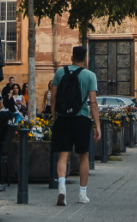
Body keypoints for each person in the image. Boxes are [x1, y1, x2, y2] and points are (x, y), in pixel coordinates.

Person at [51, 45, 101, 206]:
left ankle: (61, 187)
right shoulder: (90, 75)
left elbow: (53, 97)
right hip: (81, 119)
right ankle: (82, 193)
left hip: (63, 118)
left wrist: (54, 116)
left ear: (72, 57)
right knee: (83, 156)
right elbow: (93, 102)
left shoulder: (59, 72)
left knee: (63, 155)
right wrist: (97, 125)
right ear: (85, 59)